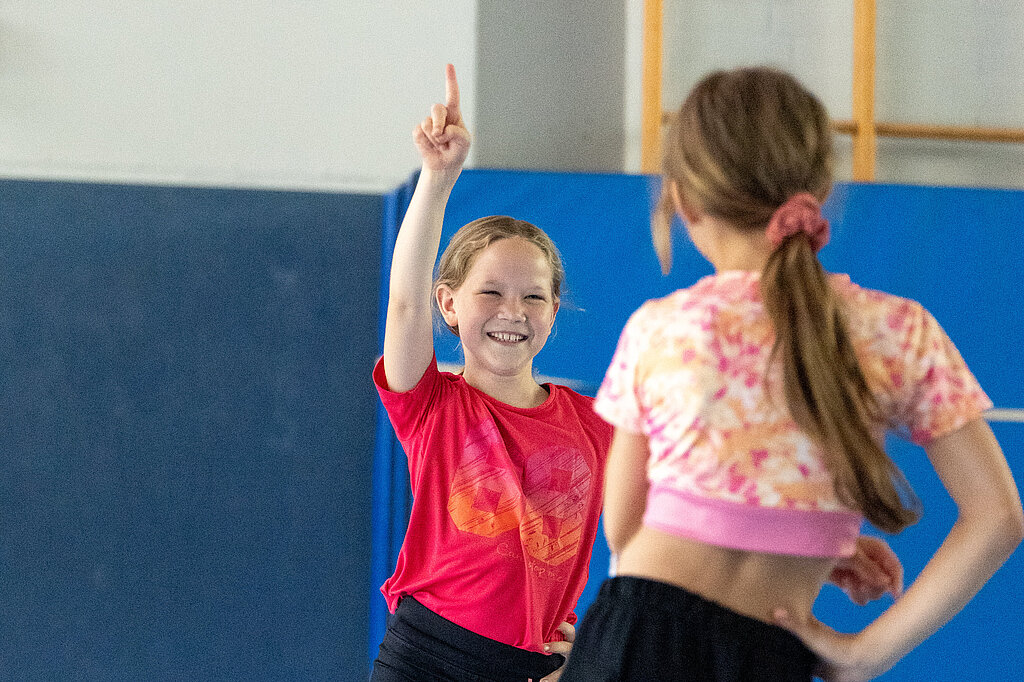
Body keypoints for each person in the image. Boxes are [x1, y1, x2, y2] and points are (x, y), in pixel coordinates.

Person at [373, 65, 912, 682]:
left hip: (543, 667)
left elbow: (692, 517)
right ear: (450, 305)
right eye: (490, 293)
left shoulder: (595, 423)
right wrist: (438, 180)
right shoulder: (432, 405)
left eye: (531, 297)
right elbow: (404, 304)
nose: (510, 313)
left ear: (554, 309)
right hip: (428, 655)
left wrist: (818, 545)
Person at [560, 67, 1024, 681]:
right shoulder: (900, 331)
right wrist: (865, 651)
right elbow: (998, 517)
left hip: (640, 638)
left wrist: (782, 524)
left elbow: (624, 528)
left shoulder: (662, 326)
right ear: (820, 189)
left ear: (684, 199)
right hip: (771, 654)